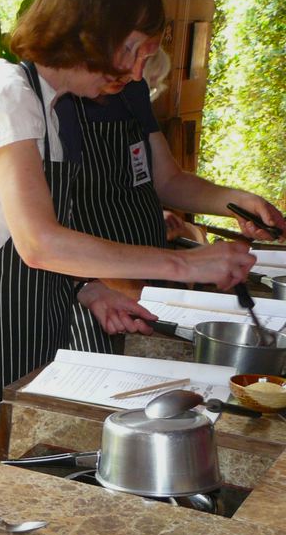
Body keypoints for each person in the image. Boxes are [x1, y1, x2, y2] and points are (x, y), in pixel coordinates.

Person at [0, 0, 278, 460]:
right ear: (88, 33)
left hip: (40, 321)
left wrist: (88, 289)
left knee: (28, 469)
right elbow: (37, 242)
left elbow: (31, 238)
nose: (136, 72)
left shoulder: (48, 107)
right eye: (131, 50)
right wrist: (185, 264)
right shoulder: (12, 100)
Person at [52, 42, 284, 354]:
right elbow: (45, 231)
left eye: (145, 58)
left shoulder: (132, 91)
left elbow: (168, 180)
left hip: (152, 278)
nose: (138, 72)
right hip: (95, 290)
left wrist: (238, 201)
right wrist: (106, 282)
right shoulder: (57, 102)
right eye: (133, 52)